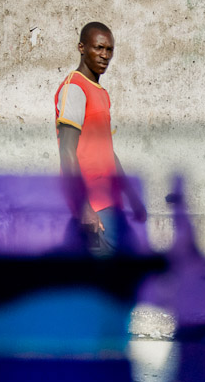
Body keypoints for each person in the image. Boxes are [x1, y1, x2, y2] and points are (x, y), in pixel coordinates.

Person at [54, 22, 146, 254]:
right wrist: (85, 208)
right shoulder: (75, 88)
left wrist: (132, 196)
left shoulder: (100, 92)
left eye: (109, 50)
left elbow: (107, 151)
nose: (105, 55)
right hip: (93, 206)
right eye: (99, 48)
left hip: (112, 203)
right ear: (82, 48)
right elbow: (67, 150)